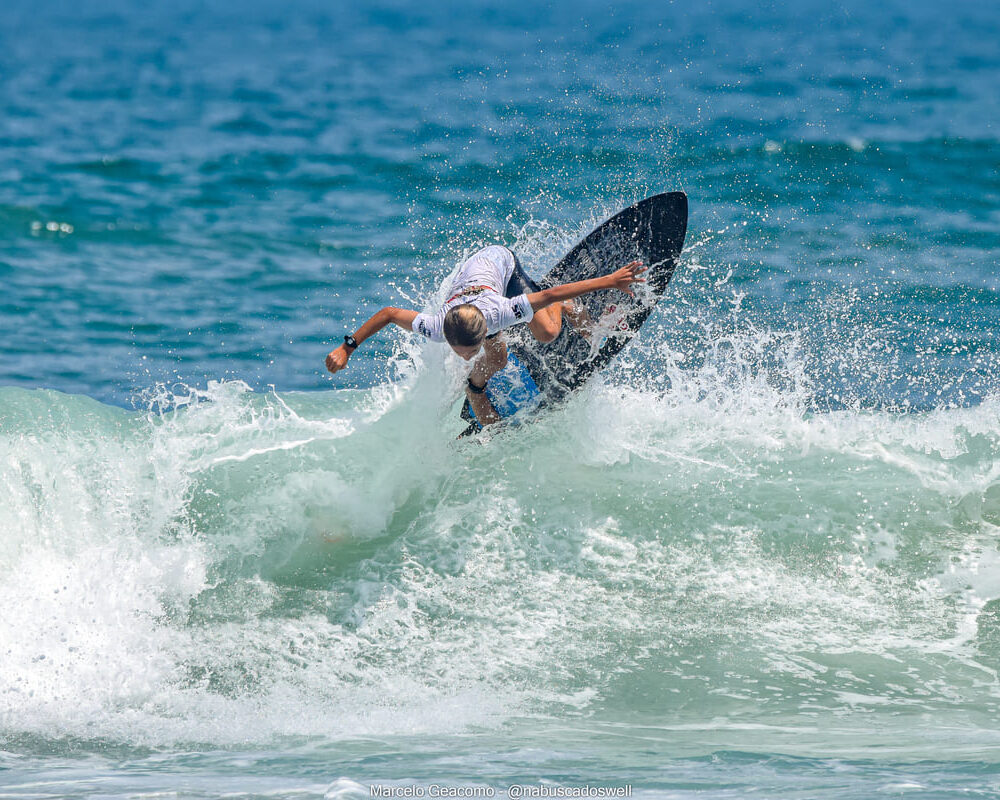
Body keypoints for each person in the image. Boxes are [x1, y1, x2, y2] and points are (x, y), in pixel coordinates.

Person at [325, 245, 646, 426]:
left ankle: (571, 310)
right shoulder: (439, 326)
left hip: (501, 265)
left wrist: (611, 280)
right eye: (459, 350)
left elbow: (552, 292)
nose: (463, 355)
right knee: (498, 358)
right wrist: (347, 348)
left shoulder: (501, 311)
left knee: (548, 331)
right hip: (471, 290)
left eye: (468, 351)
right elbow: (390, 314)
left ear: (485, 333)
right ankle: (475, 389)